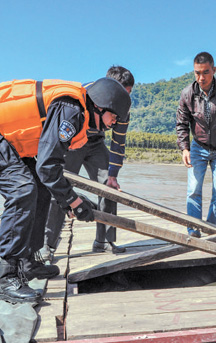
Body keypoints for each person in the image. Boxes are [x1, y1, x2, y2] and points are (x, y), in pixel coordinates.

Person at [0, 77, 131, 304]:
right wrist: (73, 201)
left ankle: (28, 262)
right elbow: (48, 167)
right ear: (100, 107)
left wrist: (69, 200)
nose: (113, 123)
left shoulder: (77, 111)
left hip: (11, 143)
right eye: (114, 117)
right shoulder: (71, 111)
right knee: (23, 190)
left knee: (39, 189)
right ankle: (5, 276)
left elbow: (48, 171)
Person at [43, 66, 134, 258]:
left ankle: (104, 241)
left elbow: (118, 142)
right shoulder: (87, 93)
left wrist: (113, 175)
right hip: (74, 141)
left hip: (95, 143)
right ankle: (48, 245)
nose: (123, 102)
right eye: (122, 94)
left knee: (108, 187)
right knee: (59, 185)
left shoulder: (124, 109)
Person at [176, 52, 216, 237]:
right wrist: (185, 149)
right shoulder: (188, 93)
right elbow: (181, 123)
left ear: (214, 70)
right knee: (194, 190)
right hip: (197, 147)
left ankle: (211, 231)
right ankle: (193, 231)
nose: (201, 77)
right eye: (197, 73)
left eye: (205, 72)